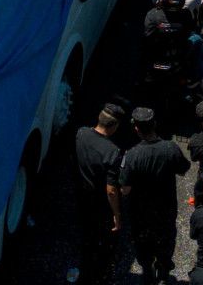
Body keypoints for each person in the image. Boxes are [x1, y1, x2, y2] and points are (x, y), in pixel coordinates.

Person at [117, 106, 189, 285]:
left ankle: (147, 274)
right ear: (154, 124)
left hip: (140, 214)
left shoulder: (131, 155)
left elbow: (125, 189)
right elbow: (183, 169)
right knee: (166, 242)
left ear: (136, 129)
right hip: (166, 210)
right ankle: (163, 272)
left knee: (143, 246)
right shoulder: (171, 148)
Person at [73, 103, 127, 282]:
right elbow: (111, 190)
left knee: (86, 229)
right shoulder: (113, 152)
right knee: (102, 236)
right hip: (99, 201)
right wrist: (116, 214)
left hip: (82, 194)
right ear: (114, 126)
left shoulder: (81, 133)